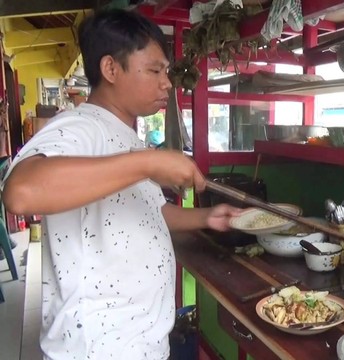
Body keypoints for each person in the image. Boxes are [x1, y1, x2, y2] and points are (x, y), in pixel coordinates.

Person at [1, 9, 241, 360]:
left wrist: (205, 219)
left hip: (138, 343)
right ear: (111, 69)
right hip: (98, 348)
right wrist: (149, 162)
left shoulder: (126, 137)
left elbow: (150, 212)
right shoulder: (83, 126)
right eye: (155, 71)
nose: (167, 83)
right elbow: (20, 192)